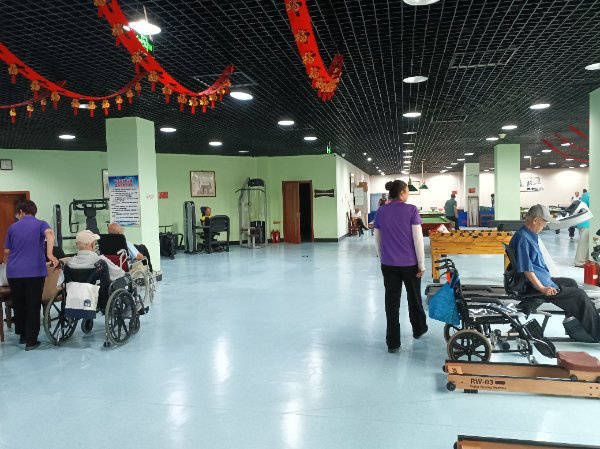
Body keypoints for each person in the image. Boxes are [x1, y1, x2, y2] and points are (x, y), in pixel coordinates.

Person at [510, 205, 600, 342]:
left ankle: (574, 324)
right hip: (534, 285)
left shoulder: (528, 234)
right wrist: (542, 288)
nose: (545, 225)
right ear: (535, 220)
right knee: (580, 295)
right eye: (544, 222)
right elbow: (527, 269)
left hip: (541, 280)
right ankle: (598, 333)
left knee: (571, 283)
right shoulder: (524, 238)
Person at [374, 180, 427, 353]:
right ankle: (418, 329)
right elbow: (418, 239)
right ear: (402, 193)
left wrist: (383, 259)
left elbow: (377, 239)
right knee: (414, 298)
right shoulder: (411, 210)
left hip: (388, 265)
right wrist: (421, 264)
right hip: (410, 265)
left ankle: (393, 342)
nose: (408, 195)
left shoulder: (381, 211)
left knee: (391, 303)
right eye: (407, 192)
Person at [3, 200, 58, 350]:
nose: (16, 216)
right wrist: (50, 254)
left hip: (14, 273)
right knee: (33, 304)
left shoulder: (12, 227)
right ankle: (31, 341)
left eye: (17, 213)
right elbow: (50, 235)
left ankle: (22, 335)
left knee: (19, 304)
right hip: (34, 271)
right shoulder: (41, 224)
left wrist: (8, 264)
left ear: (21, 212)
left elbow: (7, 252)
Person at [575, 189, 590, 267]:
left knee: (586, 243)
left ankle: (584, 260)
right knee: (583, 243)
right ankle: (579, 262)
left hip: (583, 221)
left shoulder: (585, 195)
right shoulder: (589, 196)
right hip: (586, 222)